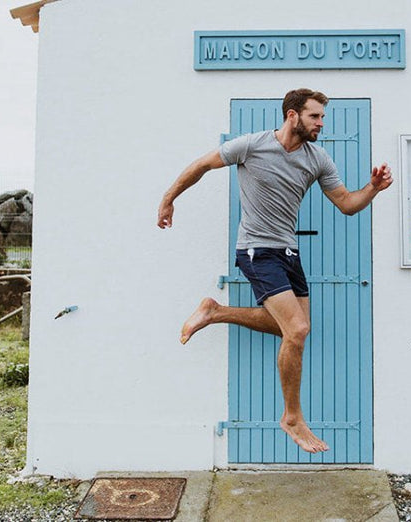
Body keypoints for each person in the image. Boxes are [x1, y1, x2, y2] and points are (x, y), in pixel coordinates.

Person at [157, 88, 392, 454]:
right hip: (256, 249)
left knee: (293, 327)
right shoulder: (250, 146)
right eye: (315, 116)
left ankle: (214, 311)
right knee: (296, 330)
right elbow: (201, 165)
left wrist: (373, 189)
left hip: (288, 251)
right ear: (292, 115)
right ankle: (292, 417)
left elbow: (347, 203)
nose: (321, 123)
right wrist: (168, 199)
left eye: (322, 117)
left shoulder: (318, 159)